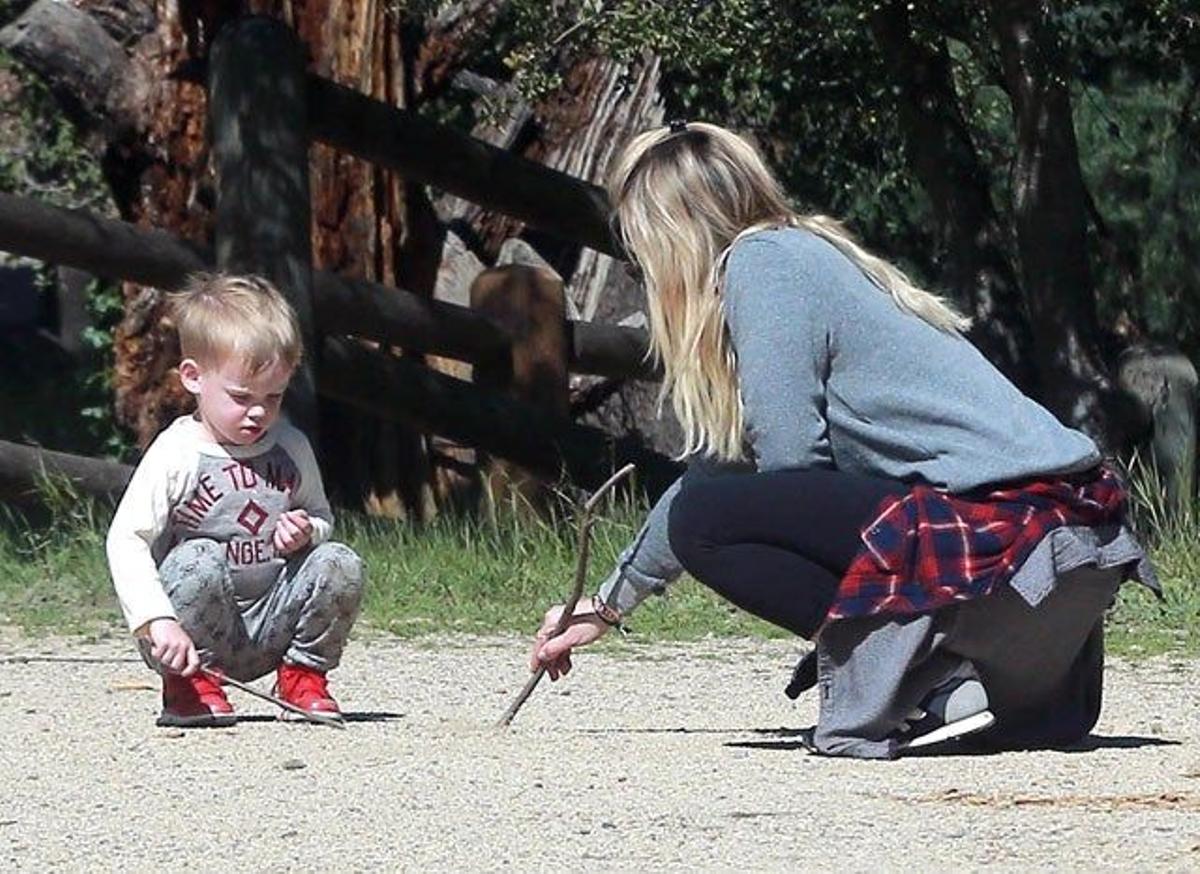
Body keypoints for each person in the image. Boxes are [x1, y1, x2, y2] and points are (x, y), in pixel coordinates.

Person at [529, 121, 1157, 758]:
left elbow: (785, 465)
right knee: (709, 508)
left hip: (1007, 549)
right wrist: (606, 605)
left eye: (639, 241)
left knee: (704, 523)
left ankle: (928, 682)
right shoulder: (807, 255)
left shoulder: (762, 265)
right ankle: (952, 679)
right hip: (1063, 559)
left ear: (673, 231)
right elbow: (726, 471)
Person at [106, 274, 364, 727]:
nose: (259, 411)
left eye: (274, 396)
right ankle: (189, 687)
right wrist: (155, 620)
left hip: (269, 622)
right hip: (186, 635)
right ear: (193, 378)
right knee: (199, 557)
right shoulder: (178, 452)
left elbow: (321, 516)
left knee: (339, 561)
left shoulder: (289, 446)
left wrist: (308, 530)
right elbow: (126, 539)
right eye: (241, 397)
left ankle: (302, 674)